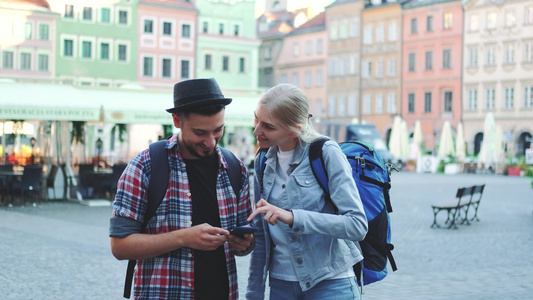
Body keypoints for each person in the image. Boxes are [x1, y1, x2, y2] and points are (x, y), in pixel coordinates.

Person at [109, 78, 254, 300]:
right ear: (177, 120)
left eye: (218, 130)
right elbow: (120, 245)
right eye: (200, 132)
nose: (210, 142)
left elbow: (244, 244)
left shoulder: (235, 169)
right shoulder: (145, 166)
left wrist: (244, 244)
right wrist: (184, 238)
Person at [246, 84, 368, 300]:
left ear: (295, 130)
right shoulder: (262, 161)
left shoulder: (325, 152)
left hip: (331, 283)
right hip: (281, 285)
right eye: (256, 119)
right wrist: (254, 292)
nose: (256, 130)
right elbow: (262, 235)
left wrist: (294, 217)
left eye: (268, 126)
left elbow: (357, 225)